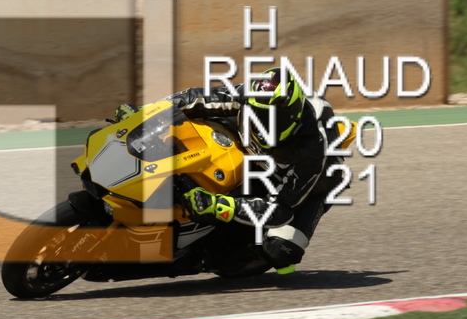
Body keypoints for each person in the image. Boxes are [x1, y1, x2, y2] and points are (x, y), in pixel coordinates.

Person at [114, 67, 345, 273]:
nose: (261, 121)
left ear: (290, 117)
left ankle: (223, 251)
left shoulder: (313, 148)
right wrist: (145, 114)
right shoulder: (252, 96)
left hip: (311, 187)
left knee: (281, 250)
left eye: (270, 117)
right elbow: (193, 98)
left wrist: (220, 206)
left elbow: (281, 209)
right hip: (257, 156)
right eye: (257, 113)